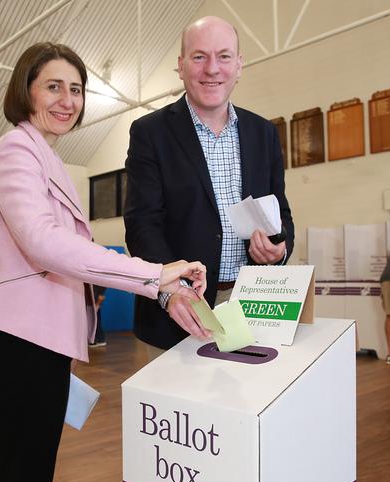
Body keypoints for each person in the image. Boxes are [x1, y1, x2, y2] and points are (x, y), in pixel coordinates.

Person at [0, 42, 207, 482]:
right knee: (26, 465)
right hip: (20, 340)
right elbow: (44, 242)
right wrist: (153, 274)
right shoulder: (15, 152)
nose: (67, 100)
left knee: (32, 463)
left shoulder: (44, 155)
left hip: (38, 338)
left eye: (76, 89)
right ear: (26, 91)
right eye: (53, 87)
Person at [124, 16, 294, 356]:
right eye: (199, 56)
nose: (212, 69)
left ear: (239, 65)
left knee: (244, 405)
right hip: (179, 308)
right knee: (179, 408)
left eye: (224, 56)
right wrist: (172, 289)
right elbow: (143, 224)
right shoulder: (149, 133)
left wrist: (280, 249)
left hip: (250, 303)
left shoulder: (264, 133)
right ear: (181, 66)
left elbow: (282, 213)